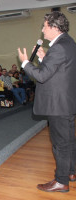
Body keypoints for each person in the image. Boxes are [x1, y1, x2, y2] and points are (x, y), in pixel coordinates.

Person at [18, 11, 76, 192]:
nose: (42, 31)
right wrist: (44, 58)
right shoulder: (68, 42)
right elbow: (59, 70)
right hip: (66, 101)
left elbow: (42, 76)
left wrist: (26, 63)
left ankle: (61, 181)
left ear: (54, 27)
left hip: (58, 104)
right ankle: (71, 172)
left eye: (44, 26)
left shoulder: (59, 47)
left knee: (60, 144)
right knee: (68, 140)